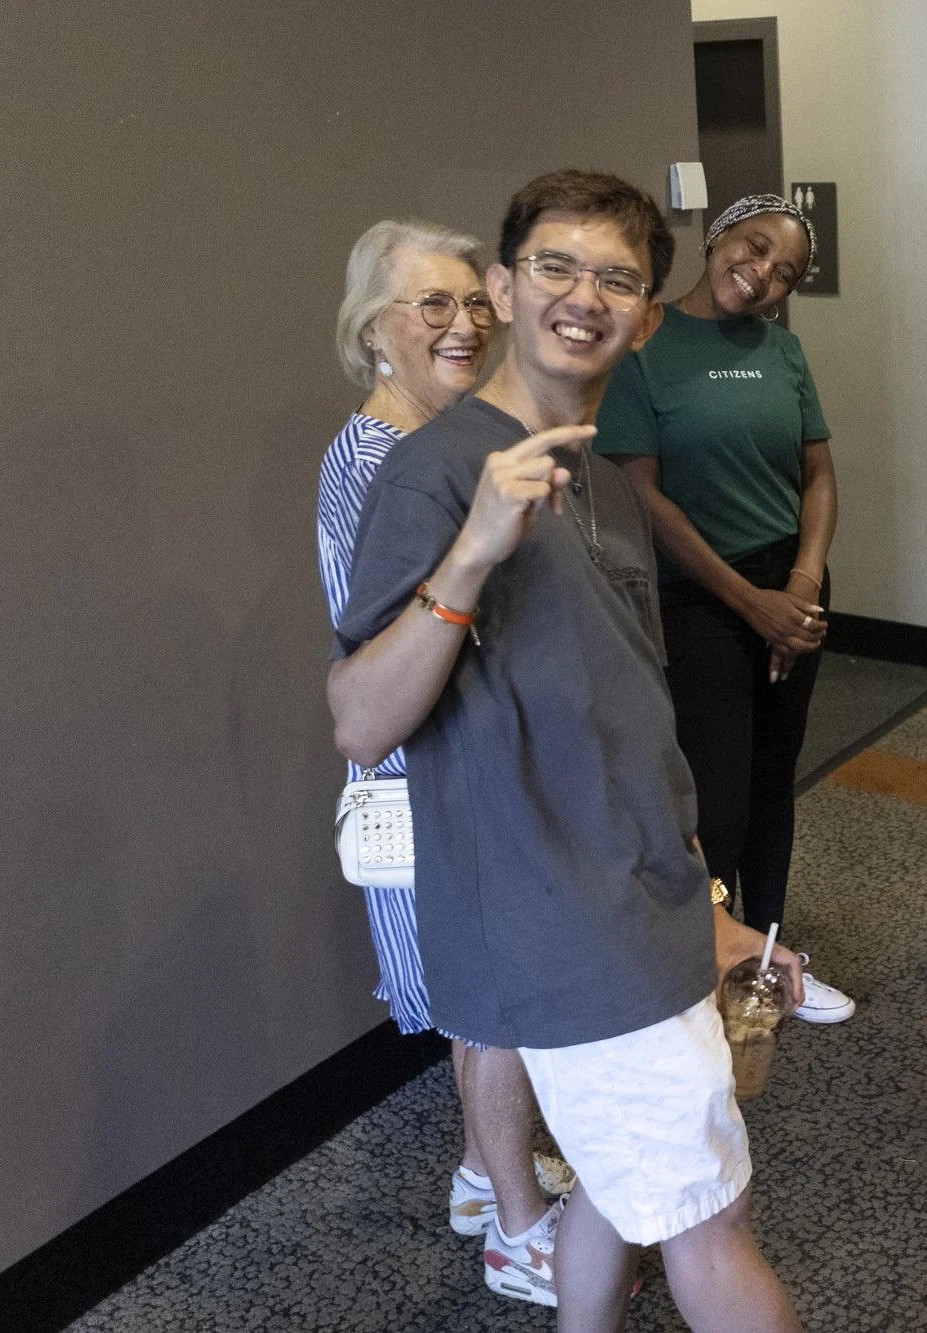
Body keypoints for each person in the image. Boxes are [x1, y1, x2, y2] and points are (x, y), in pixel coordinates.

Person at [327, 170, 805, 1333]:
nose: (582, 296)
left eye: (616, 279)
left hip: (632, 898)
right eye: (554, 266)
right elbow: (358, 716)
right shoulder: (436, 473)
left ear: (645, 316)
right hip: (556, 928)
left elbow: (629, 723)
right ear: (501, 286)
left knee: (617, 1181)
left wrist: (705, 902)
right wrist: (473, 556)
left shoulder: (601, 479)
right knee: (704, 1216)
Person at [316, 218, 575, 1301]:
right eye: (432, 304)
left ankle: (485, 1168)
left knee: (484, 1003)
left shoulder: (439, 441)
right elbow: (389, 653)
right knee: (493, 1005)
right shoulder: (384, 463)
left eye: (475, 299)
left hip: (468, 767)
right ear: (374, 329)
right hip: (427, 777)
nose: (464, 323)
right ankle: (517, 1230)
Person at [598, 194, 854, 1025]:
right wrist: (754, 605)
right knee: (718, 790)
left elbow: (818, 476)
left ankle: (775, 956)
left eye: (786, 270)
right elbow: (642, 494)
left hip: (792, 583)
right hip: (702, 595)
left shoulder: (784, 351)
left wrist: (804, 588)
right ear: (715, 239)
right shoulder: (644, 344)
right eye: (753, 248)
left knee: (778, 774)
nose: (764, 274)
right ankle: (716, 962)